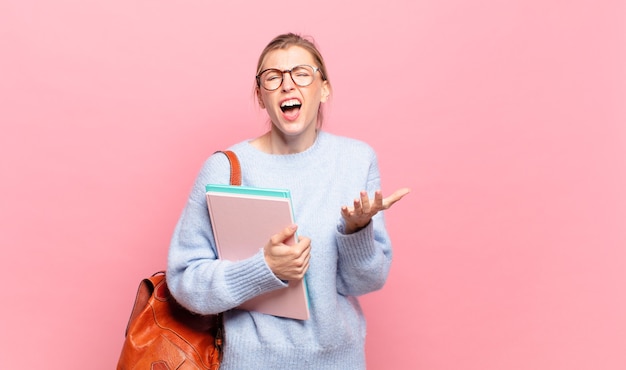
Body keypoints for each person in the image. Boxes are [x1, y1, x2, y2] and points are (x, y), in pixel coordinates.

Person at [166, 32, 410, 369]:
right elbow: (184, 281)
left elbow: (366, 281)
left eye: (301, 73)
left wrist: (356, 231)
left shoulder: (356, 160)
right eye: (273, 77)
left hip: (338, 361)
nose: (287, 85)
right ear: (260, 95)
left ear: (324, 88)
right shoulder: (223, 169)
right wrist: (263, 269)